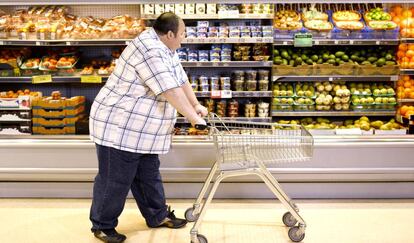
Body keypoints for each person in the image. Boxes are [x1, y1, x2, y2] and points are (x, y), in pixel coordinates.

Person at [88, 12, 208, 243]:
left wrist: (195, 104)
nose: (184, 39)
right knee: (115, 179)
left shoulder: (166, 47)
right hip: (120, 125)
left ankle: (157, 215)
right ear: (170, 33)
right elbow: (169, 90)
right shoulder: (150, 50)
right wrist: (194, 118)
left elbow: (180, 80)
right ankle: (102, 225)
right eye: (182, 34)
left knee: (148, 175)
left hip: (142, 129)